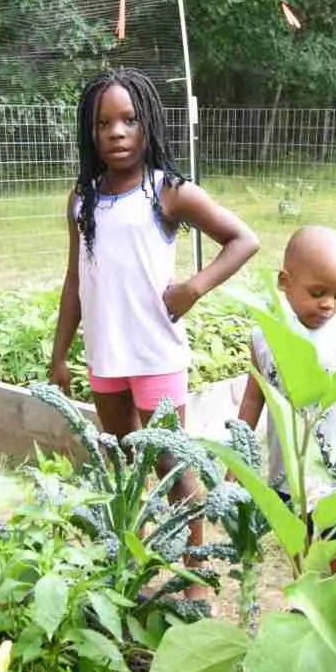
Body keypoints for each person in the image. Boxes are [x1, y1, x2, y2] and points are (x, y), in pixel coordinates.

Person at [45, 66, 260, 439]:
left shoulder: (169, 192)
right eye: (103, 123)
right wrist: (59, 355)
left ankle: (192, 503)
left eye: (129, 120)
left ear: (149, 123)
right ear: (90, 133)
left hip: (155, 357)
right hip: (104, 358)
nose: (116, 131)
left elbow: (243, 240)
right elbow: (74, 282)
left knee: (170, 466)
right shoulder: (82, 199)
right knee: (121, 458)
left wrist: (193, 288)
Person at [237, 224, 336, 565]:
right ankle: (306, 606)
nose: (328, 305)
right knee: (298, 547)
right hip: (288, 471)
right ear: (284, 282)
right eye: (318, 292)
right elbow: (252, 399)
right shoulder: (265, 338)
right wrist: (238, 453)